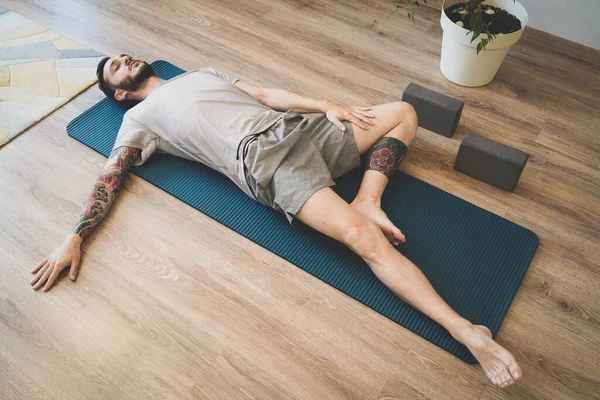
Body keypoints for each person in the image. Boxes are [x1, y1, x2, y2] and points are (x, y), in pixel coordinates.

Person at [31, 54, 523, 388]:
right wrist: (73, 238)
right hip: (266, 162)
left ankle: (369, 196)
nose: (125, 61)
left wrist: (325, 104)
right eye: (115, 67)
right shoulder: (136, 122)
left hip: (301, 129)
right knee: (364, 240)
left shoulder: (199, 73)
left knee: (402, 112)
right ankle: (466, 331)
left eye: (124, 54)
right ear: (118, 93)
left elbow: (267, 93)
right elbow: (109, 177)